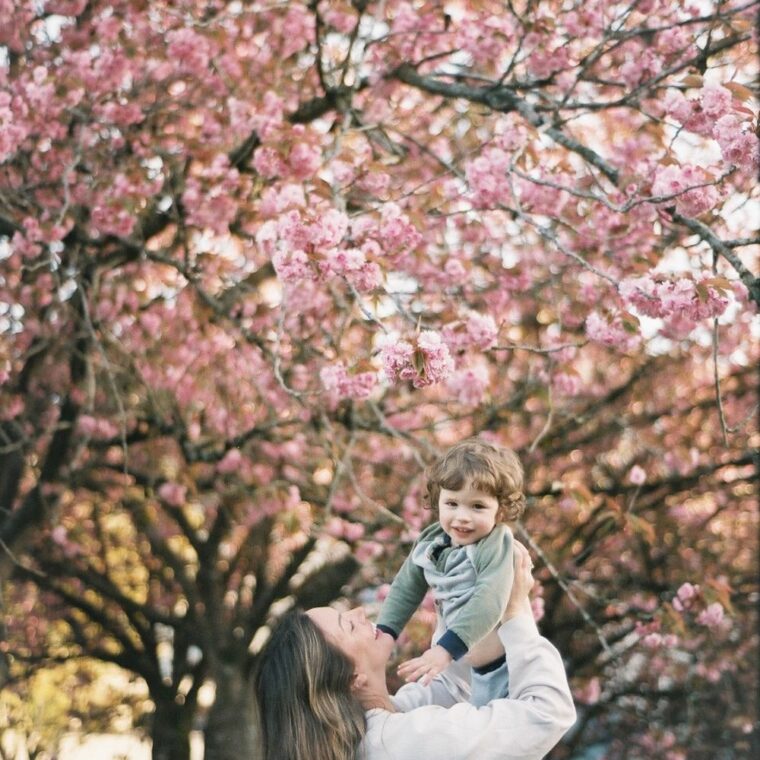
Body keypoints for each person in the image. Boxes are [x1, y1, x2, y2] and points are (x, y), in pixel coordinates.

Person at [252, 542, 576, 760]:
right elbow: (546, 714)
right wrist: (517, 609)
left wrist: (456, 587)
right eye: (348, 625)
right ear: (352, 679)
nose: (359, 614)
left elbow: (450, 684)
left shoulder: (385, 723)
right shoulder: (398, 744)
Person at [376, 437, 525, 704]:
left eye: (477, 506)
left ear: (500, 511)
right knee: (420, 712)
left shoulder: (495, 544)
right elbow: (406, 587)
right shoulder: (432, 541)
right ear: (438, 500)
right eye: (452, 504)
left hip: (497, 670)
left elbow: (489, 600)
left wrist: (445, 650)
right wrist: (386, 632)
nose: (462, 517)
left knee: (484, 735)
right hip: (452, 666)